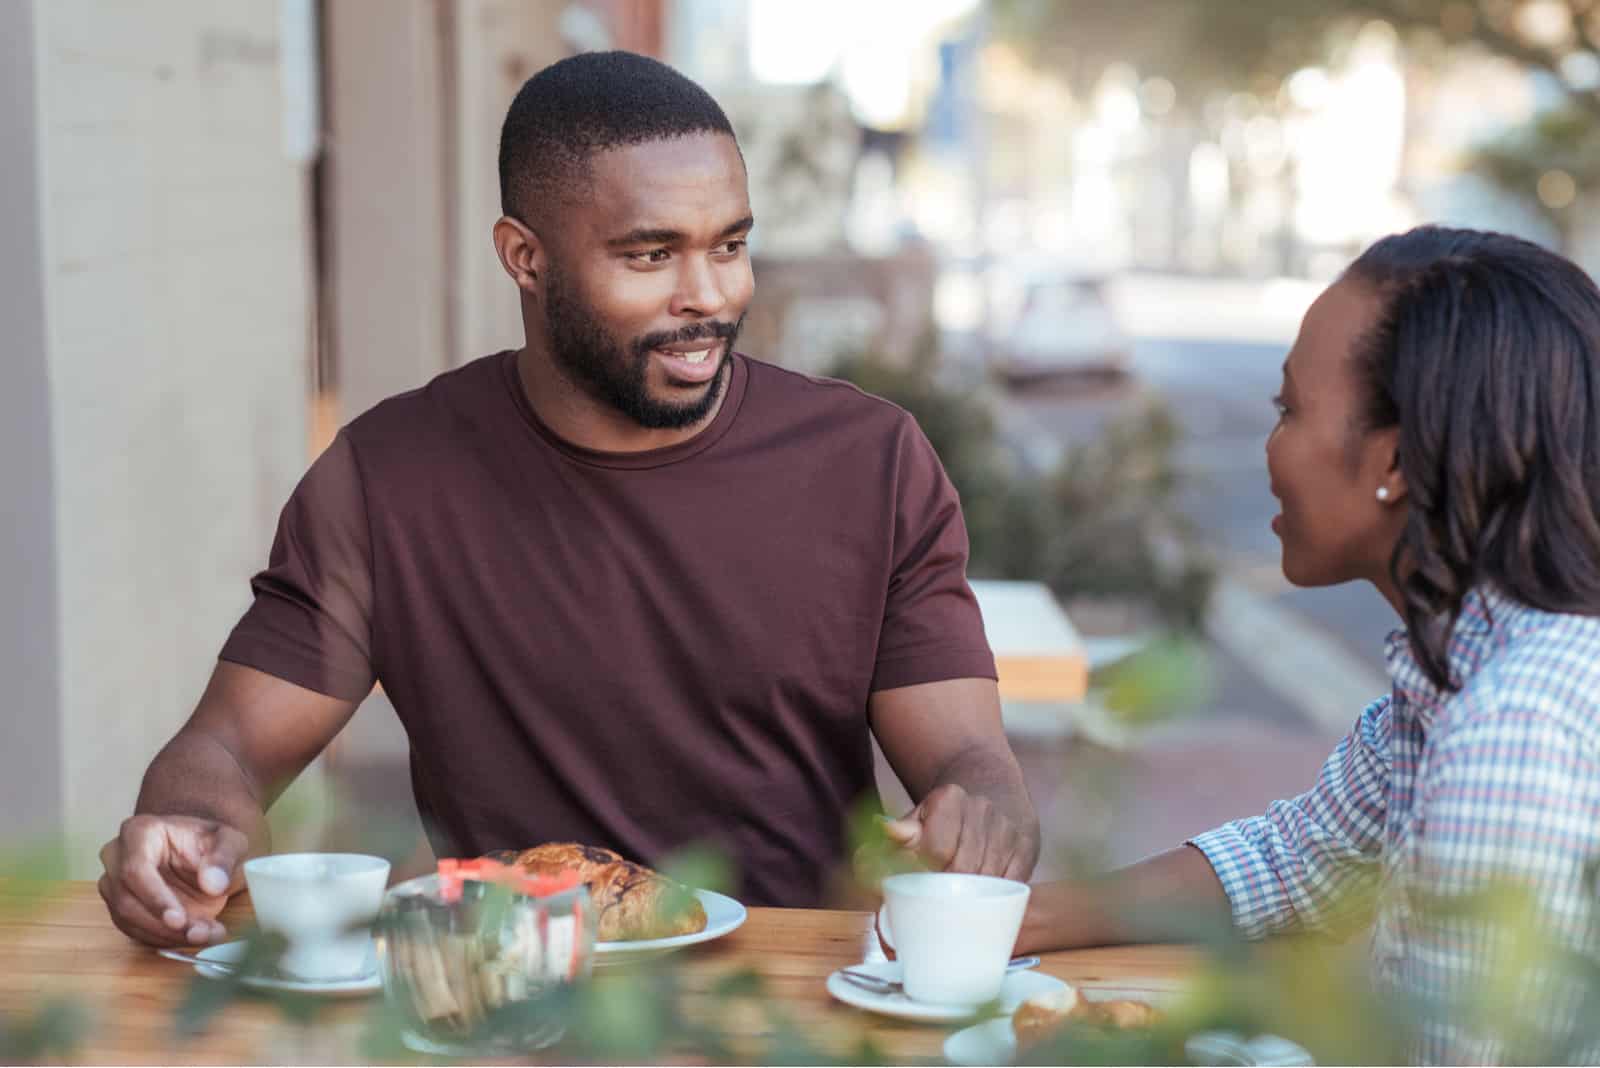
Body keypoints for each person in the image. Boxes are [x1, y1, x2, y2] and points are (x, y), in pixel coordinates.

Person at [98, 51, 1038, 949]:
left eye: (731, 245)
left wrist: (983, 818)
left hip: (800, 993)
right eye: (650, 255)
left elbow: (972, 767)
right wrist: (189, 835)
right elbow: (222, 750)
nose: (707, 296)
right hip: (515, 999)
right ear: (525, 258)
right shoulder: (386, 478)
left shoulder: (869, 463)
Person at [1017, 226, 1600, 1062]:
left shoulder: (1509, 726)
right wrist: (1009, 919)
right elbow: (1295, 862)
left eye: (1289, 409)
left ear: (1394, 459)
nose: (1271, 447)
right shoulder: (1451, 675)